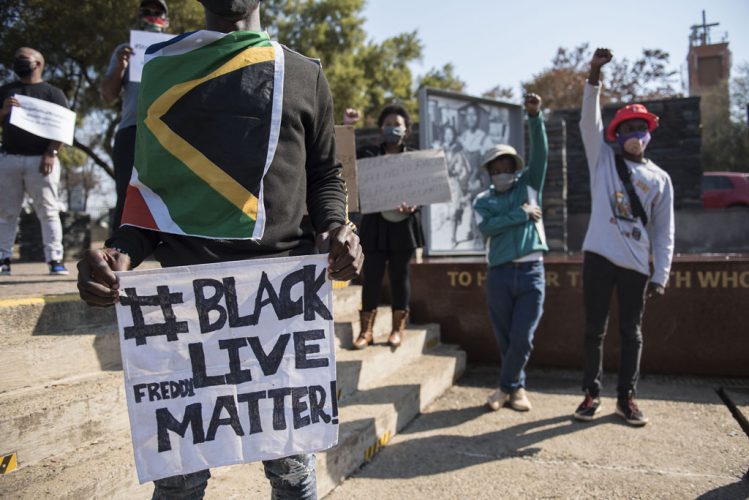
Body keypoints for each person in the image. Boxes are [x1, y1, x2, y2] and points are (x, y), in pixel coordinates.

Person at [77, 1, 363, 498]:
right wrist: (119, 252)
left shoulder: (304, 74)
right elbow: (151, 192)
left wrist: (337, 227)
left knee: (293, 476)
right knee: (179, 485)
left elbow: (324, 175)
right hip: (185, 309)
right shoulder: (164, 69)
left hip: (278, 306)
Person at [573, 48, 674, 427]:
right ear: (617, 133)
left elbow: (664, 230)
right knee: (593, 330)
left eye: (639, 128)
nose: (634, 135)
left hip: (635, 263)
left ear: (648, 133)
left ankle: (626, 398)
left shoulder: (660, 178)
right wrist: (594, 74)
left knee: (632, 332)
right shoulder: (602, 159)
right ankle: (591, 394)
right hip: (599, 255)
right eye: (627, 129)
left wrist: (661, 274)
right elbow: (588, 120)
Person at [473, 93, 548, 412]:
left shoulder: (529, 185)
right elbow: (488, 227)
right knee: (505, 337)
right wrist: (521, 214)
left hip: (531, 272)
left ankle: (504, 388)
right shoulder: (482, 200)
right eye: (497, 168)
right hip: (499, 273)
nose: (503, 171)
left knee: (523, 337)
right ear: (490, 171)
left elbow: (541, 154)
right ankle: (517, 390)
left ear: (515, 168)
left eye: (507, 166)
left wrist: (535, 117)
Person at [353, 103, 425, 350]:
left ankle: (397, 329)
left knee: (400, 276)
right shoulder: (368, 155)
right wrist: (348, 126)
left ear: (406, 129)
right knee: (371, 276)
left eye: (397, 124)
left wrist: (414, 205)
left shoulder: (415, 159)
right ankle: (366, 331)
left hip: (404, 228)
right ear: (380, 128)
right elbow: (346, 163)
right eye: (387, 124)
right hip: (375, 226)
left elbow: (424, 191)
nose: (392, 128)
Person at [101, 0, 170, 231]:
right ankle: (119, 245)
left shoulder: (179, 48)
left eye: (157, 12)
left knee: (169, 193)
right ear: (139, 17)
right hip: (131, 130)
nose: (152, 16)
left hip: (168, 132)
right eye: (146, 12)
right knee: (127, 193)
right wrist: (120, 66)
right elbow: (108, 95)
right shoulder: (125, 50)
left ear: (166, 20)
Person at [0, 47, 69, 276]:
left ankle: (55, 259)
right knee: (6, 212)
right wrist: (3, 111)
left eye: (23, 58)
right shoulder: (6, 91)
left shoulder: (53, 93)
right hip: (9, 159)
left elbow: (63, 127)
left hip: (42, 161)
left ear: (38, 63)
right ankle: (3, 259)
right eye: (16, 58)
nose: (18, 62)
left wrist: (52, 152)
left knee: (48, 211)